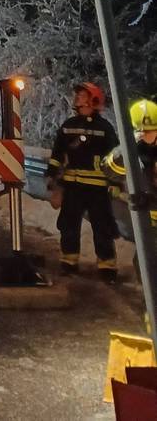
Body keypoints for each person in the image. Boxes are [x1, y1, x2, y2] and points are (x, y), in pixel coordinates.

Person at [46, 81, 120, 281]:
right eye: (77, 94)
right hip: (73, 187)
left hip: (97, 189)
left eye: (82, 95)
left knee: (102, 227)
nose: (77, 97)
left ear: (93, 99)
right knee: (68, 225)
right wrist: (51, 175)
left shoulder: (105, 128)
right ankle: (69, 263)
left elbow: (115, 158)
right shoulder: (68, 126)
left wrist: (115, 183)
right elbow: (57, 154)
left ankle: (107, 268)